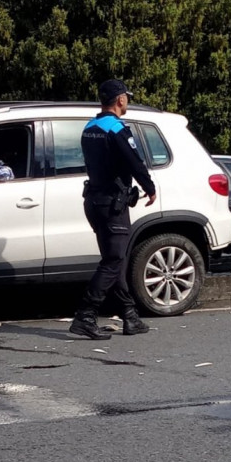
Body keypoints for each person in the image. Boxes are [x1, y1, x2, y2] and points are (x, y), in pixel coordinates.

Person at [69, 79, 157, 340]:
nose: (127, 101)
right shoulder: (116, 129)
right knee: (113, 260)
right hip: (112, 204)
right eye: (126, 98)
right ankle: (85, 314)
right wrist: (149, 187)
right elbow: (134, 162)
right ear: (120, 100)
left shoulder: (89, 127)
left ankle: (130, 316)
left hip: (94, 202)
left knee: (114, 259)